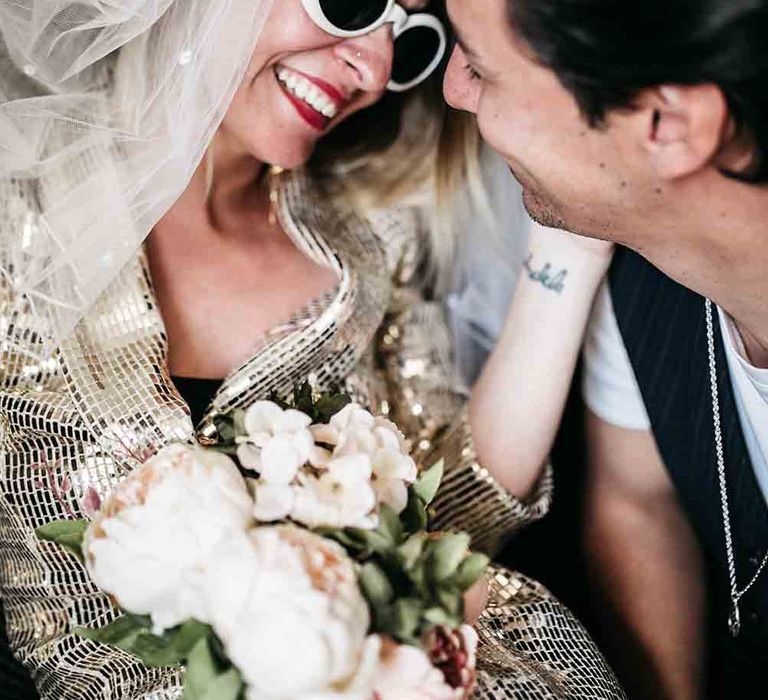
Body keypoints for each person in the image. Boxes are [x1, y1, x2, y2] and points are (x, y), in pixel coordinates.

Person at [0, 1, 624, 698]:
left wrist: (574, 240)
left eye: (414, 40)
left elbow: (451, 517)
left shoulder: (369, 245)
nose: (377, 67)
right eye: (353, 2)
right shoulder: (17, 227)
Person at [444, 0, 768, 698]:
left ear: (667, 125)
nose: (452, 91)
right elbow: (636, 500)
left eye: (482, 67)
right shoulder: (645, 262)